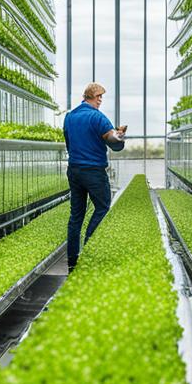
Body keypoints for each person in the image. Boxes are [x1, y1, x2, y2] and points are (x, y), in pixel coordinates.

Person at [62, 82, 126, 270]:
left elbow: (69, 143)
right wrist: (120, 135)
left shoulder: (70, 117)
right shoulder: (97, 118)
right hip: (93, 171)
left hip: (74, 170)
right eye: (98, 96)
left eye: (101, 97)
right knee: (103, 207)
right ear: (90, 96)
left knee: (76, 216)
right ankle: (89, 249)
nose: (100, 100)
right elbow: (113, 143)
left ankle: (73, 260)